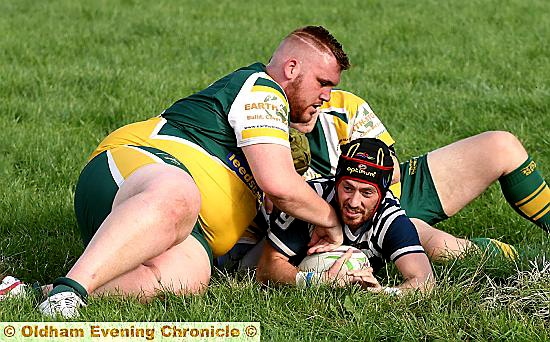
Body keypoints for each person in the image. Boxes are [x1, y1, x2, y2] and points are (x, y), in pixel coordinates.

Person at [37, 26, 351, 318]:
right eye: (323, 83)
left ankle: (40, 293)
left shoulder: (281, 130)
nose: (326, 96)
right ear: (292, 68)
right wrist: (329, 219)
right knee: (179, 195)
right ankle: (71, 289)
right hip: (130, 171)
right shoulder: (263, 89)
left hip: (175, 226)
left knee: (187, 277)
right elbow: (279, 185)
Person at [256, 137, 434, 294]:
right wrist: (319, 281)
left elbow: (425, 281)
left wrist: (382, 294)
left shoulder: (389, 218)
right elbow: (265, 268)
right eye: (347, 188)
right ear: (336, 182)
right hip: (255, 237)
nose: (354, 202)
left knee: (440, 245)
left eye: (367, 193)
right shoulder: (311, 200)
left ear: (382, 194)